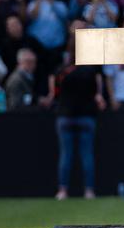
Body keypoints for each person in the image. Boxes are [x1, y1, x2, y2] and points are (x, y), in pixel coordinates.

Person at [43, 20, 106, 200]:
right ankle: (89, 190)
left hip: (65, 116)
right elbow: (97, 91)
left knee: (66, 155)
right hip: (86, 116)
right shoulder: (90, 71)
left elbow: (53, 92)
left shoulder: (62, 71)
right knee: (86, 154)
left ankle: (62, 190)